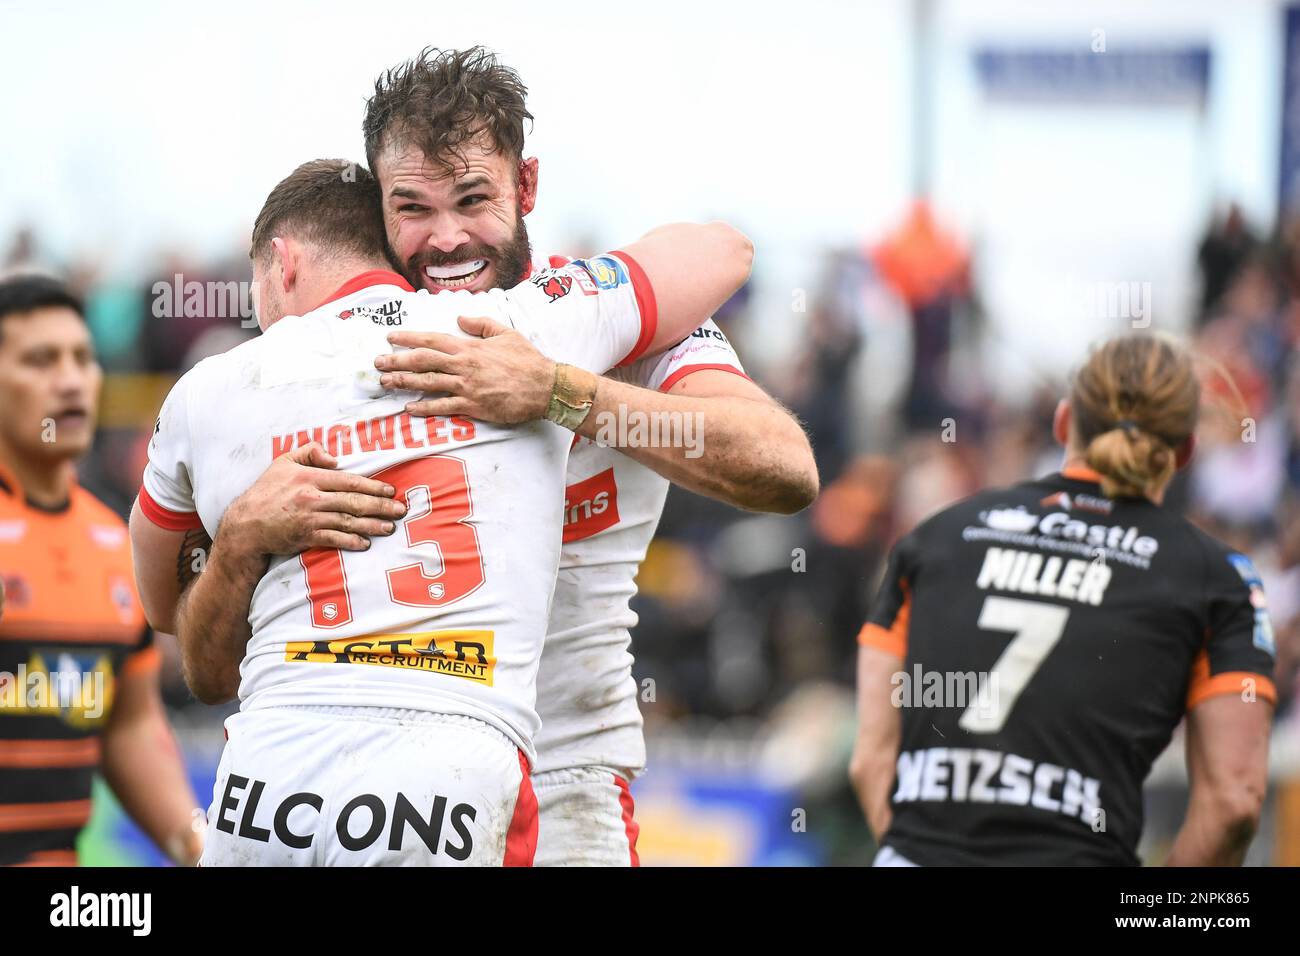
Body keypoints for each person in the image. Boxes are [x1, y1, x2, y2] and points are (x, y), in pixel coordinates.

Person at [169, 46, 819, 866]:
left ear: (527, 187)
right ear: (378, 205)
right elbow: (199, 654)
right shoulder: (323, 362)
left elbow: (785, 466)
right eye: (413, 208)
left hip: (567, 778)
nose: (446, 240)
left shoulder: (608, 321)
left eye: (473, 198)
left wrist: (558, 391)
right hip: (366, 779)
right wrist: (237, 543)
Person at [850, 332, 1277, 866]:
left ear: (1063, 420)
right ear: (1186, 450)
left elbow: (870, 761)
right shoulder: (1220, 578)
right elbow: (1233, 803)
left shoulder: (934, 537)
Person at [0, 274, 201, 867]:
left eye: (82, 358)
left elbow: (130, 726)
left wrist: (200, 848)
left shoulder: (116, 540)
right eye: (40, 360)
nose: (69, 380)